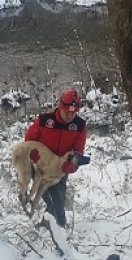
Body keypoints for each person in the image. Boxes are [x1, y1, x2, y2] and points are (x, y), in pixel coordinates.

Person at [23, 89, 87, 227]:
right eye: (67, 112)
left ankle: (48, 224)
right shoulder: (44, 120)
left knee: (59, 200)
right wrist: (32, 154)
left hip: (60, 168)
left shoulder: (79, 126)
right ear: (61, 107)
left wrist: (71, 166)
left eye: (73, 112)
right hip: (39, 166)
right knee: (53, 201)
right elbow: (28, 140)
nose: (70, 115)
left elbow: (77, 153)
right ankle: (59, 229)